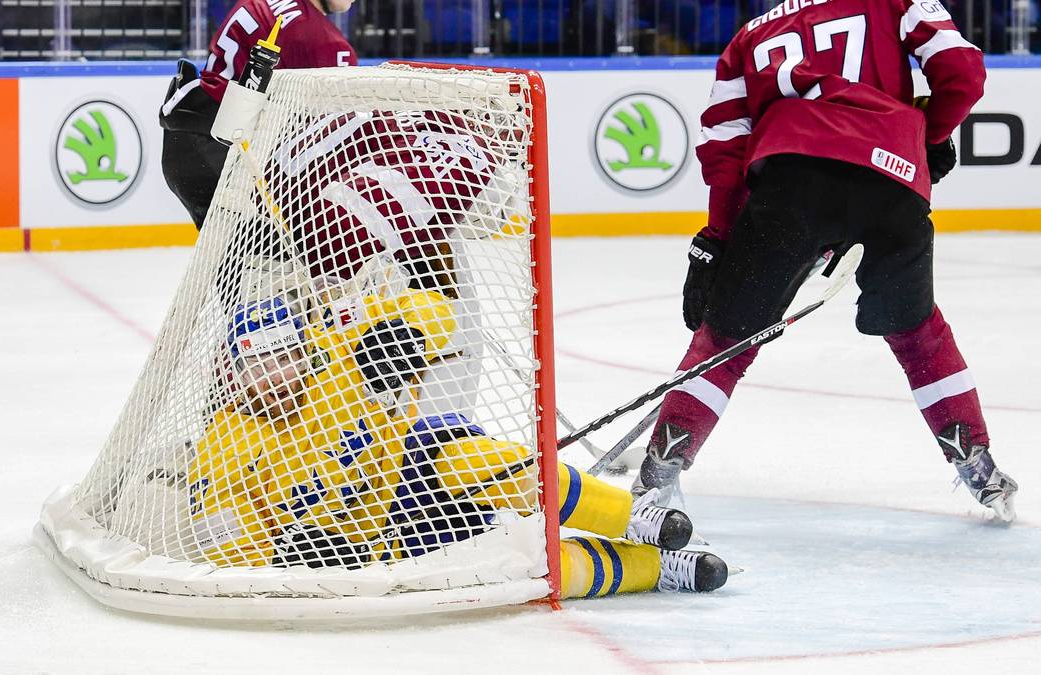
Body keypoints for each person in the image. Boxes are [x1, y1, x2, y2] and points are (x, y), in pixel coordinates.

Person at [632, 0, 1017, 521]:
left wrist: (718, 237)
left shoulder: (750, 35)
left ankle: (656, 480)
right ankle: (977, 463)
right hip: (892, 177)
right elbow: (962, 71)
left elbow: (724, 145)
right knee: (918, 330)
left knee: (726, 338)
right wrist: (929, 134)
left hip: (791, 183)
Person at [188, 281, 730, 597]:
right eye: (257, 364)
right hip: (385, 545)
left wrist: (401, 336)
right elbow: (226, 541)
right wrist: (287, 560)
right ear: (231, 373)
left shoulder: (338, 347)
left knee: (468, 453)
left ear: (306, 351)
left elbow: (435, 308)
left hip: (416, 463)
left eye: (285, 358)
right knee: (518, 569)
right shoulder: (223, 446)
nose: (275, 376)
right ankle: (654, 569)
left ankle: (629, 516)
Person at [160, 0, 359, 229]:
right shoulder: (323, 40)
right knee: (294, 251)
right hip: (225, 154)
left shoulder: (265, 3)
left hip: (190, 137)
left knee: (236, 256)